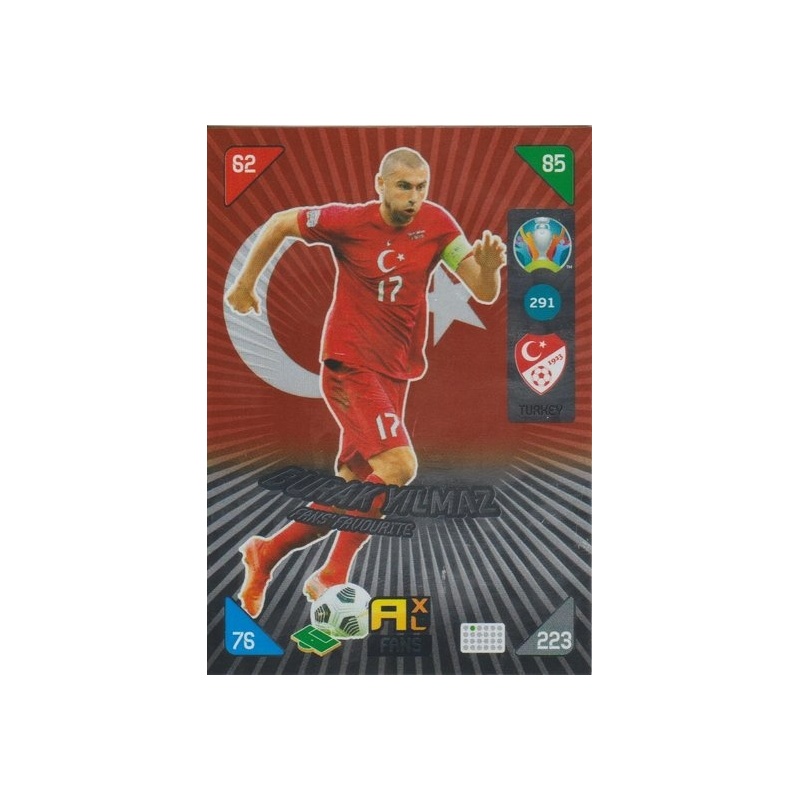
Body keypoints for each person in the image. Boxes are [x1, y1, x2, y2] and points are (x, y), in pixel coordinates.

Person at [226, 147, 506, 618]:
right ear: (380, 184)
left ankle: (266, 553)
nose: (414, 197)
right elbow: (279, 222)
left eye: (421, 187)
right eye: (404, 186)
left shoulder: (437, 224)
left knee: (353, 491)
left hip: (395, 372)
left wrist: (491, 266)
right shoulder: (347, 221)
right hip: (350, 366)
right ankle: (332, 575)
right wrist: (244, 284)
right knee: (398, 467)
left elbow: (482, 289)